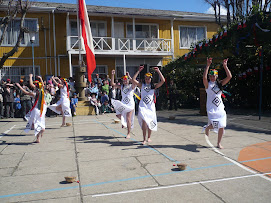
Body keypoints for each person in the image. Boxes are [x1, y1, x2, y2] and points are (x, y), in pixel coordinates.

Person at [203, 58, 232, 149]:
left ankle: (218, 143)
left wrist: (225, 66)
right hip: (211, 109)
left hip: (220, 108)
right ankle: (208, 128)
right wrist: (208, 65)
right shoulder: (208, 85)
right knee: (215, 125)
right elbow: (204, 77)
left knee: (222, 125)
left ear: (216, 76)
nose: (212, 77)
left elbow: (229, 77)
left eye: (214, 76)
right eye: (211, 76)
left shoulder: (220, 84)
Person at [132, 66, 165, 145]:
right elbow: (133, 80)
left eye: (149, 78)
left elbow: (163, 80)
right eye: (146, 78)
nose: (147, 80)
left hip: (151, 107)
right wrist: (138, 71)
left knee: (150, 122)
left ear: (151, 79)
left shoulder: (154, 86)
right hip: (143, 106)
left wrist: (158, 71)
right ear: (144, 79)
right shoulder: (142, 85)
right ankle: (144, 139)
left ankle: (149, 137)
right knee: (144, 122)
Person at [16, 75, 47, 143]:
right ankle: (42, 129)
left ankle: (38, 138)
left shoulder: (34, 94)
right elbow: (42, 85)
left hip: (36, 109)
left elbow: (26, 92)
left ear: (36, 87)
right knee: (40, 121)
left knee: (35, 123)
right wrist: (41, 78)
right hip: (43, 108)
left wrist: (19, 86)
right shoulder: (43, 92)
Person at [111, 70, 136, 138]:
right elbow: (113, 84)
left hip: (130, 104)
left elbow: (134, 82)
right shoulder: (121, 87)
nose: (125, 82)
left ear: (128, 81)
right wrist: (113, 75)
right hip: (123, 103)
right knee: (118, 114)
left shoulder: (131, 86)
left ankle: (128, 133)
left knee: (128, 118)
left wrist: (129, 76)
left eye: (126, 80)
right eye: (124, 81)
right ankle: (124, 122)